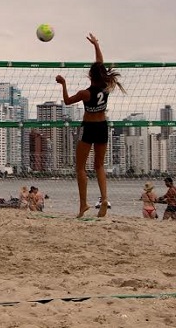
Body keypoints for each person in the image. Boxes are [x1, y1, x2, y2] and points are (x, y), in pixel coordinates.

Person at [56, 33, 124, 218]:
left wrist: (63, 83)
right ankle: (104, 199)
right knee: (99, 166)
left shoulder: (85, 93)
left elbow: (68, 101)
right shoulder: (106, 87)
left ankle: (83, 204)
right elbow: (100, 63)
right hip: (102, 126)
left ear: (90, 76)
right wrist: (96, 45)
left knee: (80, 167)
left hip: (88, 128)